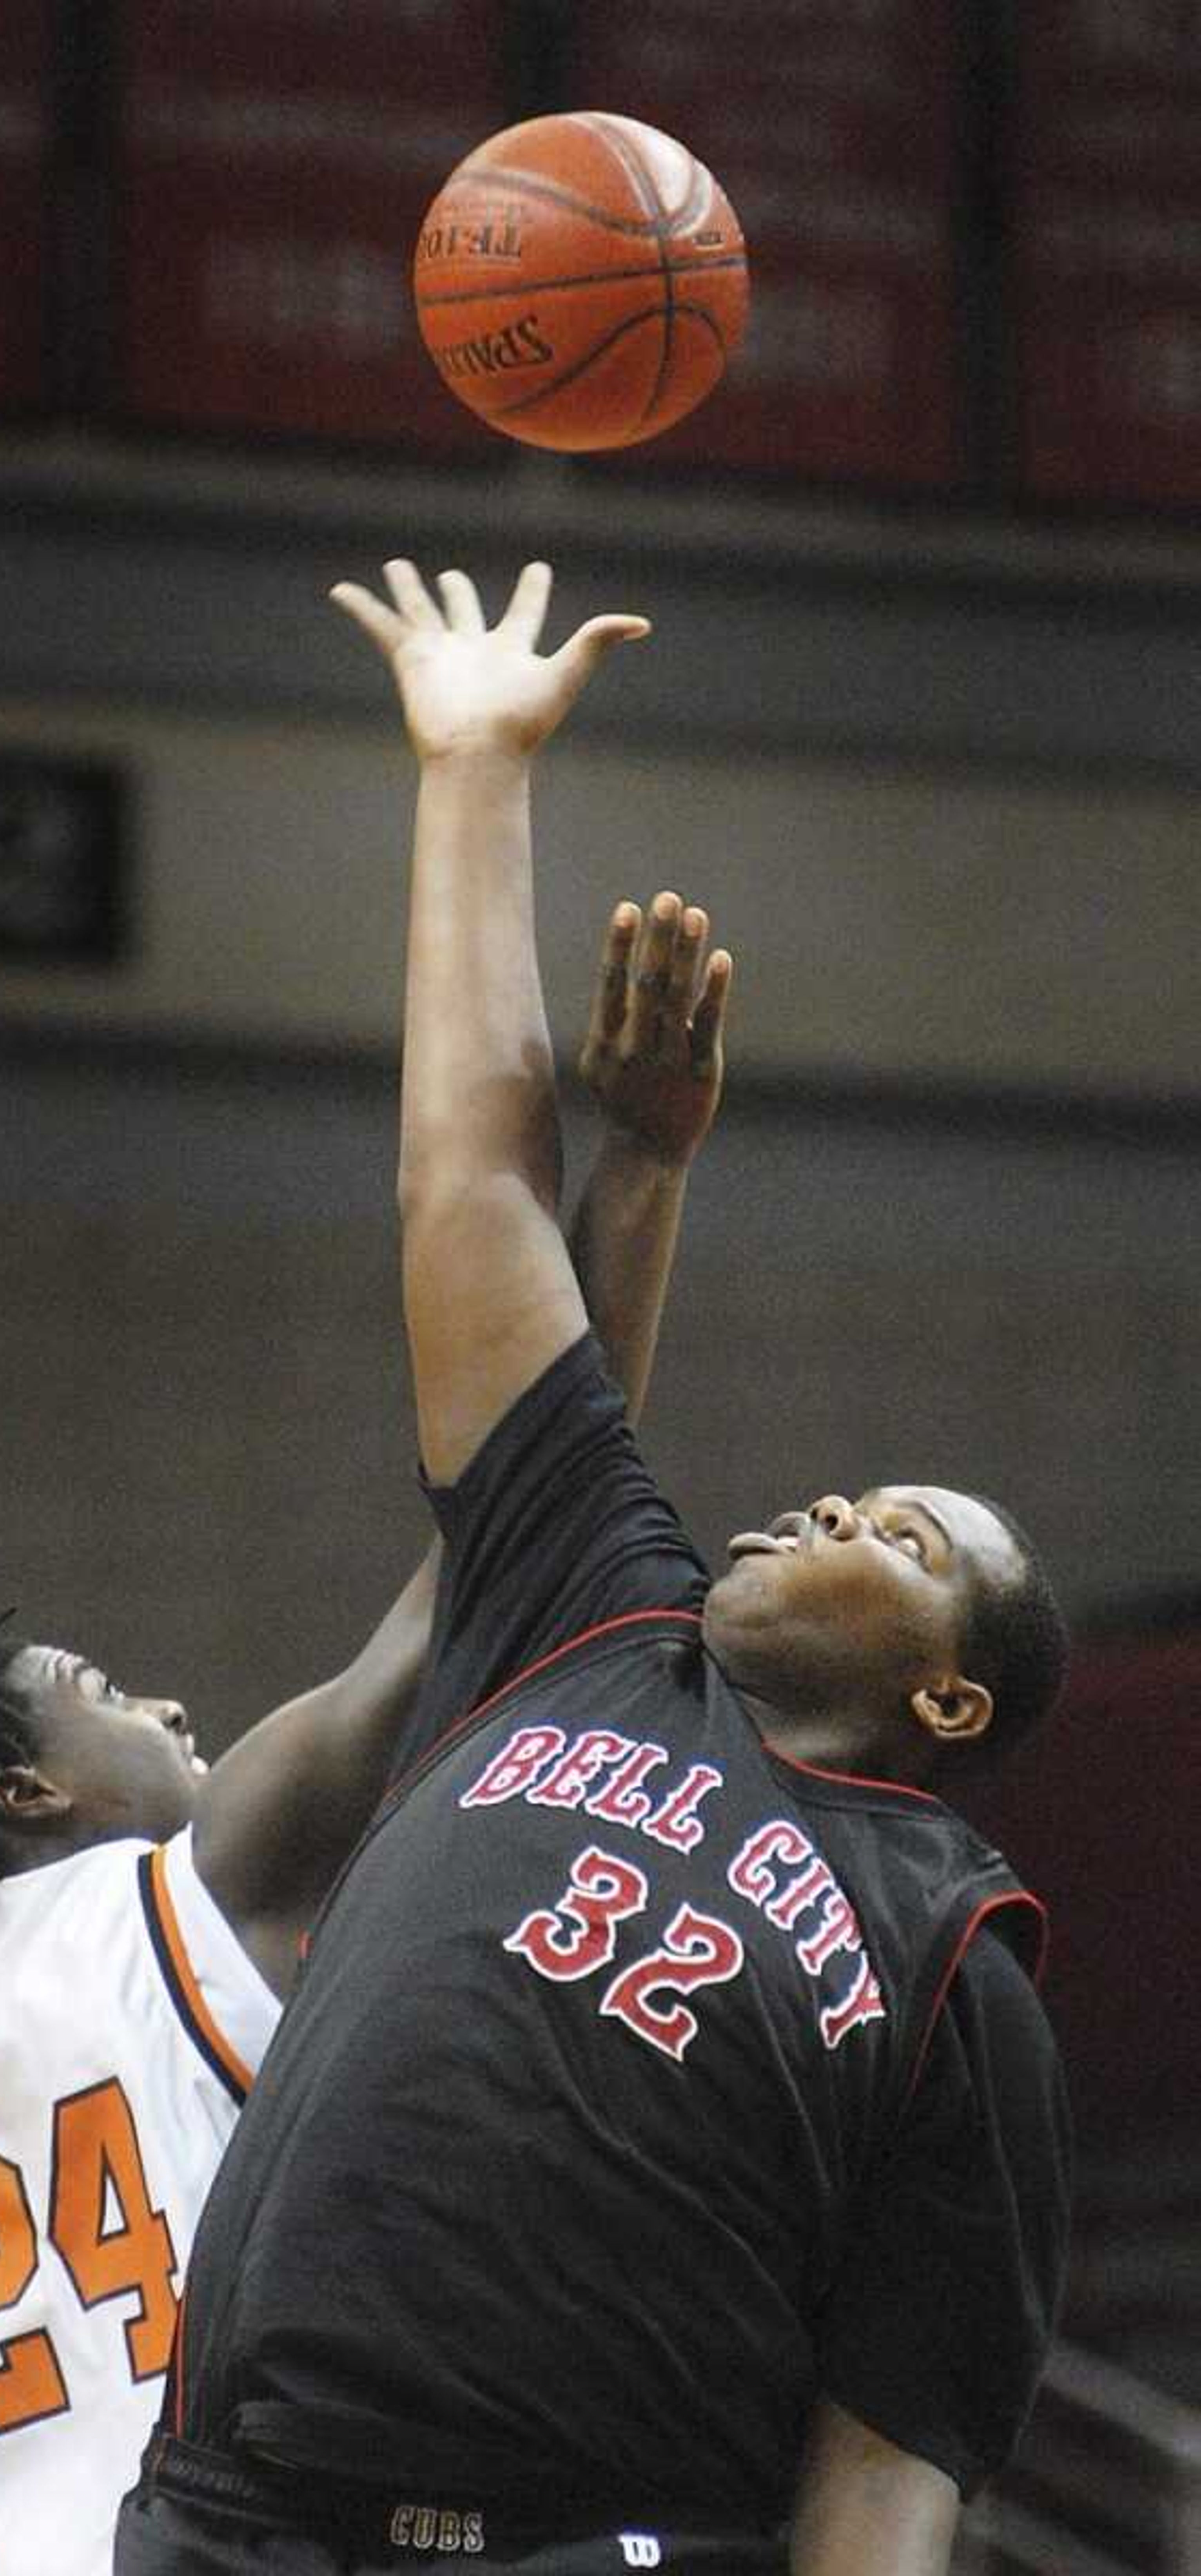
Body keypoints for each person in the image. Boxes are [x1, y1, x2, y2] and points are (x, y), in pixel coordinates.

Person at [116, 561, 1072, 2576]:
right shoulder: (591, 1635)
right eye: (842, 1493)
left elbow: (890, 2459)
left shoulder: (952, 1957)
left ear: (950, 1697)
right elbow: (468, 1195)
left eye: (896, 1537)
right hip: (233, 2522)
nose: (825, 1509)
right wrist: (471, 775)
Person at [0, 901, 721, 2576]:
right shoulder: (196, 1874)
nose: (169, 1707)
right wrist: (641, 1161)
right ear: (29, 1789)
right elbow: (514, 1536)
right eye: (109, 1696)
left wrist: (22, 2273)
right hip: (280, 2536)